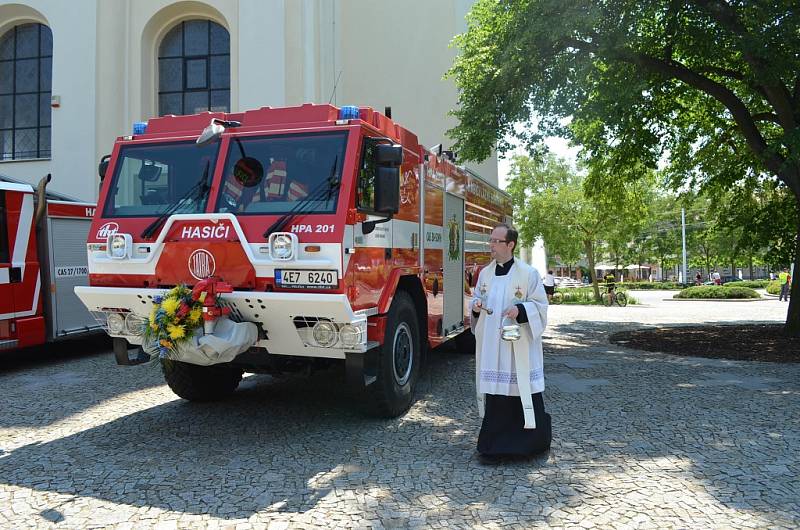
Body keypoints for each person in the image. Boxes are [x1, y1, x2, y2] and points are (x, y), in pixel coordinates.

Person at [470, 223, 550, 464]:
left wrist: (520, 309)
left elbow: (541, 307)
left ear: (510, 244)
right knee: (496, 394)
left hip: (518, 347)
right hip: (493, 348)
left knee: (520, 388)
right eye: (491, 240)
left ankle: (527, 445)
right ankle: (493, 447)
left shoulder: (528, 274)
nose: (491, 245)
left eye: (496, 241)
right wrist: (475, 307)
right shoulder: (485, 273)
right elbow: (477, 298)